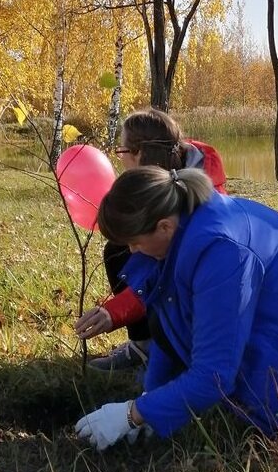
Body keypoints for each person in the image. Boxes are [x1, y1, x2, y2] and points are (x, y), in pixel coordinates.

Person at [74, 166, 278, 452]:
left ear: (164, 226)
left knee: (232, 381)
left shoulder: (222, 253)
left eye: (135, 243)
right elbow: (168, 317)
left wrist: (132, 415)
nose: (132, 252)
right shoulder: (189, 223)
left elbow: (214, 376)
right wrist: (150, 399)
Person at [75, 108, 227, 371]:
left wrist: (114, 312)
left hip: (210, 289)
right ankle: (143, 346)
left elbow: (163, 273)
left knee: (126, 255)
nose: (120, 160)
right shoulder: (178, 160)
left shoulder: (194, 202)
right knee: (118, 250)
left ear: (139, 153)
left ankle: (169, 350)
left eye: (121, 152)